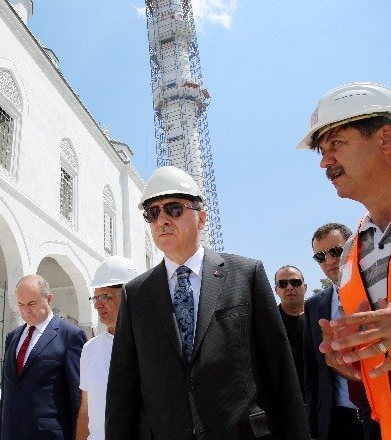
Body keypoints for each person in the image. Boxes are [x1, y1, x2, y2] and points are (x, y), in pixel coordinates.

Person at [105, 166, 309, 439]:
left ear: (201, 219)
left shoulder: (246, 275)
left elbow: (280, 372)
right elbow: (122, 390)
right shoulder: (136, 293)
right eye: (153, 213)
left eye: (174, 209)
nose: (162, 219)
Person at [298, 82, 391, 439]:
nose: (324, 161)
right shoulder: (354, 249)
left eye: (335, 144)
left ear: (386, 138)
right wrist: (349, 355)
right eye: (321, 151)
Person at [303, 223, 380, 440]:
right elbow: (312, 373)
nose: (329, 261)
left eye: (336, 251)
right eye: (320, 257)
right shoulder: (314, 306)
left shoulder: (378, 289)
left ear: (354, 245)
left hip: (382, 415)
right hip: (337, 421)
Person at [0, 275, 87, 440]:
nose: (25, 310)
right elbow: (7, 395)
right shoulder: (12, 337)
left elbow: (78, 398)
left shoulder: (70, 336)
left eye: (32, 303)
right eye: (20, 304)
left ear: (49, 299)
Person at [76, 256, 140, 440]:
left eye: (105, 296)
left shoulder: (151, 345)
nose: (97, 304)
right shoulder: (89, 349)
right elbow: (85, 410)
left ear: (130, 296)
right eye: (95, 297)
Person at [273, 265, 307, 394]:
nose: (289, 287)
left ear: (305, 287)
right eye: (282, 284)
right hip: (284, 399)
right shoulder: (268, 322)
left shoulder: (320, 318)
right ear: (276, 290)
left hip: (321, 398)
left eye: (295, 282)